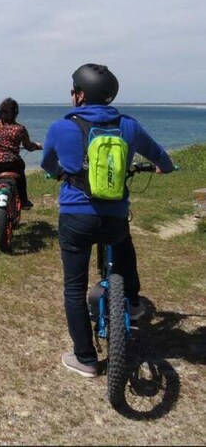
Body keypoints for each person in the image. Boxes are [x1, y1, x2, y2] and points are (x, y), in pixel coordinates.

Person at [41, 63, 174, 378]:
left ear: (81, 95)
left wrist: (58, 172)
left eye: (73, 90)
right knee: (123, 243)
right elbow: (162, 158)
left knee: (74, 287)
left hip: (75, 217)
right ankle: (133, 301)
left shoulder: (61, 126)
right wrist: (162, 168)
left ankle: (85, 358)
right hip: (113, 217)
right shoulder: (128, 125)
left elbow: (47, 162)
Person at [0, 97, 42, 241]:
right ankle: (24, 199)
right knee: (21, 167)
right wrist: (38, 146)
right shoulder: (19, 129)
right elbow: (28, 146)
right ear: (16, 113)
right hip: (13, 164)